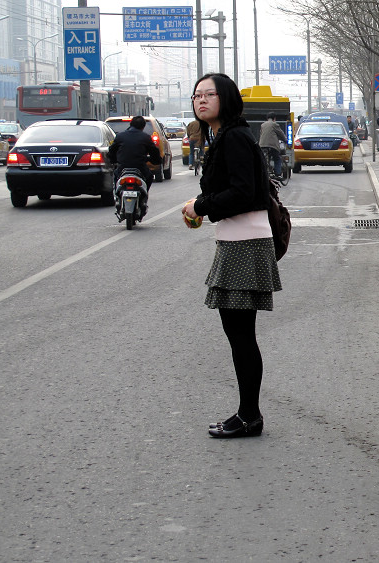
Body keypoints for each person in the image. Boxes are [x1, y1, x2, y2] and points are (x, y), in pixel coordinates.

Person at [181, 73, 282, 439]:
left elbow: (243, 192)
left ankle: (249, 416)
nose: (201, 100)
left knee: (241, 336)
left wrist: (200, 206)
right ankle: (247, 414)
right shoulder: (224, 136)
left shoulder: (235, 137)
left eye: (210, 94)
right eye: (197, 95)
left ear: (226, 98)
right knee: (239, 335)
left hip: (245, 244)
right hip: (237, 241)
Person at [109, 115, 161, 191]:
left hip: (123, 167)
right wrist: (156, 160)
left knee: (116, 177)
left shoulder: (120, 136)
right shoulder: (145, 137)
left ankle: (116, 194)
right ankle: (144, 195)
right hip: (140, 167)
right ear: (143, 127)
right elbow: (154, 152)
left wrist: (113, 160)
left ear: (131, 124)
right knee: (149, 177)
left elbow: (112, 151)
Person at [259, 112, 287, 178]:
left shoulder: (262, 125)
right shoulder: (274, 124)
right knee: (277, 158)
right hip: (272, 145)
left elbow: (261, 134)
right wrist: (286, 140)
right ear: (274, 118)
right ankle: (278, 174)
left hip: (262, 145)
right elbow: (281, 134)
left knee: (264, 159)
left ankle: (265, 172)